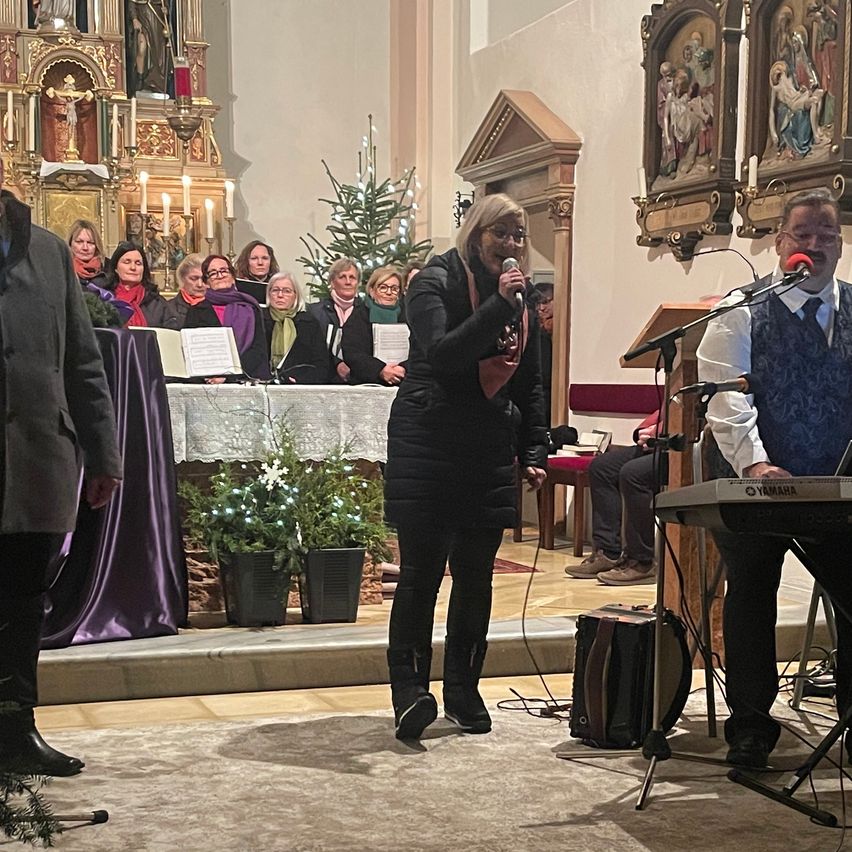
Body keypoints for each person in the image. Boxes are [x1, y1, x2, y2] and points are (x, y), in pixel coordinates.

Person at [697, 187, 852, 769]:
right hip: (753, 482)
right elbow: (723, 399)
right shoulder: (740, 309)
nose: (814, 245)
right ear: (781, 242)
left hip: (833, 489)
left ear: (839, 245)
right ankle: (752, 727)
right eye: (802, 235)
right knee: (752, 592)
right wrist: (757, 464)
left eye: (826, 236)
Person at [383, 193, 548, 740]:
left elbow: (530, 382)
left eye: (518, 235)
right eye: (500, 233)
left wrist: (533, 450)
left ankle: (462, 690)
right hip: (428, 436)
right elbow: (441, 354)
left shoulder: (519, 299)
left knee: (475, 579)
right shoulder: (434, 282)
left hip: (486, 445)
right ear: (476, 233)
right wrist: (500, 306)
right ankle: (409, 692)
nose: (510, 244)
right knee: (422, 573)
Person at [0, 158, 121, 776]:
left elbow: (82, 360)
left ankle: (17, 731)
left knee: (25, 603)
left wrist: (104, 455)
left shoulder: (47, 251)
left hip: (36, 460)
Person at [564, 410, 661, 585]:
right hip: (658, 444)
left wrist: (660, 431)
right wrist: (644, 429)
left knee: (633, 473)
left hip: (683, 448)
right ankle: (608, 553)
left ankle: (642, 562)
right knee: (602, 467)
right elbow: (669, 404)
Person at [183, 254, 268, 380]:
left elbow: (258, 349)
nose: (220, 275)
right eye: (213, 273)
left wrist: (231, 376)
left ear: (233, 276)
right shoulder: (196, 311)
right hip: (208, 380)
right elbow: (192, 350)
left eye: (224, 271)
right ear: (206, 282)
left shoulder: (251, 307)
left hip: (246, 379)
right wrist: (213, 375)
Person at [341, 265, 407, 386]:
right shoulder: (359, 316)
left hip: (403, 380)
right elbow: (352, 352)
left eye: (394, 288)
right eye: (383, 287)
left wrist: (402, 369)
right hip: (367, 383)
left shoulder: (408, 315)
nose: (389, 292)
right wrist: (380, 370)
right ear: (372, 291)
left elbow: (420, 350)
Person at [262, 271, 328, 383]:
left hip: (300, 384)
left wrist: (300, 380)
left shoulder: (308, 322)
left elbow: (321, 363)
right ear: (269, 294)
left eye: (287, 291)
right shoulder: (259, 319)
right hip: (265, 382)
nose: (280, 295)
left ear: (296, 295)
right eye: (275, 290)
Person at [308, 257, 360, 384]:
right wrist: (336, 364)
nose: (348, 282)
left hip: (358, 378)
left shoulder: (365, 312)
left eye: (352, 277)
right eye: (342, 277)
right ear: (332, 282)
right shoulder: (314, 312)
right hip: (323, 379)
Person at [106, 241, 168, 327]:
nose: (133, 267)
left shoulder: (157, 303)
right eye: (127, 262)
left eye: (138, 263)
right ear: (116, 268)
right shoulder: (104, 298)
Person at [162, 253, 206, 330]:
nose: (200, 284)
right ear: (182, 278)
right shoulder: (167, 308)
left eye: (204, 279)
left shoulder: (216, 306)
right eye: (193, 278)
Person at [235, 240, 280, 304]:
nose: (260, 263)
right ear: (246, 262)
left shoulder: (278, 285)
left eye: (265, 258)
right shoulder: (236, 287)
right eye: (254, 258)